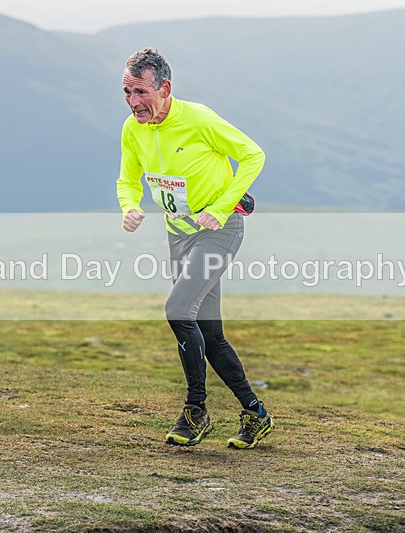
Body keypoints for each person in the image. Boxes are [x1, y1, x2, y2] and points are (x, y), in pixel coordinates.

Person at [116, 48, 274, 449]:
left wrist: (221, 208)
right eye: (126, 92)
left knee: (176, 310)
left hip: (219, 230)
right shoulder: (133, 129)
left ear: (164, 88)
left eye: (140, 92)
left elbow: (253, 156)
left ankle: (195, 410)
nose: (134, 102)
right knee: (207, 329)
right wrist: (129, 207)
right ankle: (255, 414)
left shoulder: (199, 119)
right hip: (179, 234)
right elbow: (128, 179)